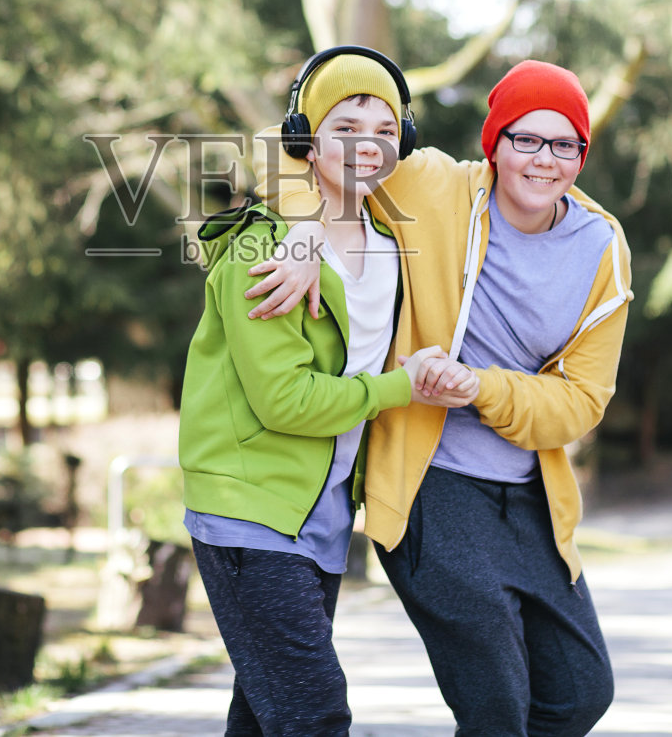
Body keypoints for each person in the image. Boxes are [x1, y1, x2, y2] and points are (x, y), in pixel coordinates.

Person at [249, 58, 633, 737]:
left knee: (579, 693)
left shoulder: (601, 247)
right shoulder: (430, 185)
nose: (545, 159)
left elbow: (581, 402)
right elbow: (290, 152)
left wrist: (480, 386)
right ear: (494, 143)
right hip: (432, 482)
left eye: (565, 143)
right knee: (496, 704)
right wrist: (305, 229)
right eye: (526, 138)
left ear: (582, 154)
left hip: (532, 493)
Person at [178, 47, 477, 737]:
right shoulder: (263, 252)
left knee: (265, 717)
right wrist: (401, 386)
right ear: (305, 143)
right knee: (314, 715)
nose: (366, 143)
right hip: (250, 508)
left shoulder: (391, 246)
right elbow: (284, 400)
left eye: (384, 129)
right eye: (345, 127)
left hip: (323, 513)